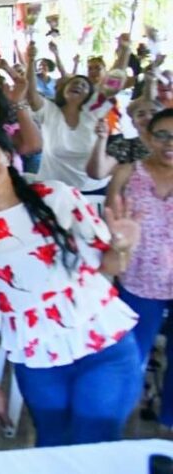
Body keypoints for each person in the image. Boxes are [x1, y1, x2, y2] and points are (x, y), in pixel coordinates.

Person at [0, 119, 142, 446]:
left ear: (9, 155)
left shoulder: (55, 196)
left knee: (94, 444)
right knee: (53, 445)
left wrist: (122, 246)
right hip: (35, 353)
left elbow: (108, 265)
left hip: (101, 344)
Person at [106, 108, 173, 428]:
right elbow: (109, 218)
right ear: (148, 136)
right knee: (132, 357)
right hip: (138, 279)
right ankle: (122, 419)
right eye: (162, 135)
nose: (169, 143)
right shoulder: (129, 171)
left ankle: (169, 418)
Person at [26, 42, 112, 196]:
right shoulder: (49, 110)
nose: (78, 84)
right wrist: (30, 60)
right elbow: (31, 95)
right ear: (62, 90)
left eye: (84, 85)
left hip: (94, 192)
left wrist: (125, 50)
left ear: (90, 96)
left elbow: (115, 83)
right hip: (55, 193)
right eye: (73, 82)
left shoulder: (93, 112)